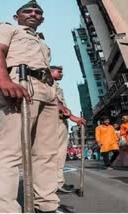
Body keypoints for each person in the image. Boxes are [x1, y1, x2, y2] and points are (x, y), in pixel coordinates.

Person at [0, 1, 65, 212]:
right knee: (10, 151)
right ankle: (5, 210)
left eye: (38, 12)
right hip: (20, 83)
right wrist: (3, 80)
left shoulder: (42, 42)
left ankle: (46, 204)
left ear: (42, 19)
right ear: (16, 16)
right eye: (27, 11)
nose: (33, 14)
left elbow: (46, 71)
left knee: (46, 152)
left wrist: (58, 102)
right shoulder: (6, 28)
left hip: (47, 90)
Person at [50, 65, 86, 194]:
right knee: (56, 155)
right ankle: (56, 184)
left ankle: (56, 183)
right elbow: (55, 102)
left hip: (59, 121)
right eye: (59, 71)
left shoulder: (55, 85)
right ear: (50, 71)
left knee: (58, 155)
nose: (62, 74)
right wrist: (72, 117)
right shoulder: (47, 83)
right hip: (54, 121)